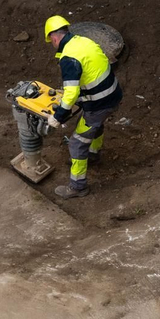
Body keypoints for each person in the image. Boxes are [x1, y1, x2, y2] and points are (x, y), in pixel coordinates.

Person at [43, 15, 122, 199]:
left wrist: (58, 117)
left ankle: (78, 187)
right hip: (113, 95)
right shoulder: (84, 42)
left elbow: (70, 94)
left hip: (99, 104)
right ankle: (93, 154)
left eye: (51, 41)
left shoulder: (68, 57)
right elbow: (91, 72)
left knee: (77, 143)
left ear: (54, 38)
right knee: (95, 126)